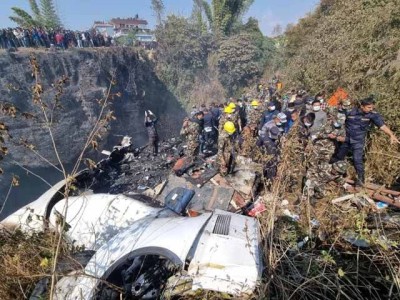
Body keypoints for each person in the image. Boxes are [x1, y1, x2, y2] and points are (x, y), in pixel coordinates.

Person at [331, 96, 399, 186]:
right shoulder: (350, 111)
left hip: (358, 141)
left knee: (357, 159)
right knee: (339, 157)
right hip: (346, 139)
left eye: (372, 107)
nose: (371, 109)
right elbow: (338, 119)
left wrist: (391, 135)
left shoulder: (372, 115)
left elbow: (382, 126)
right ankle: (334, 175)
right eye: (369, 107)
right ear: (362, 106)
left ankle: (360, 180)